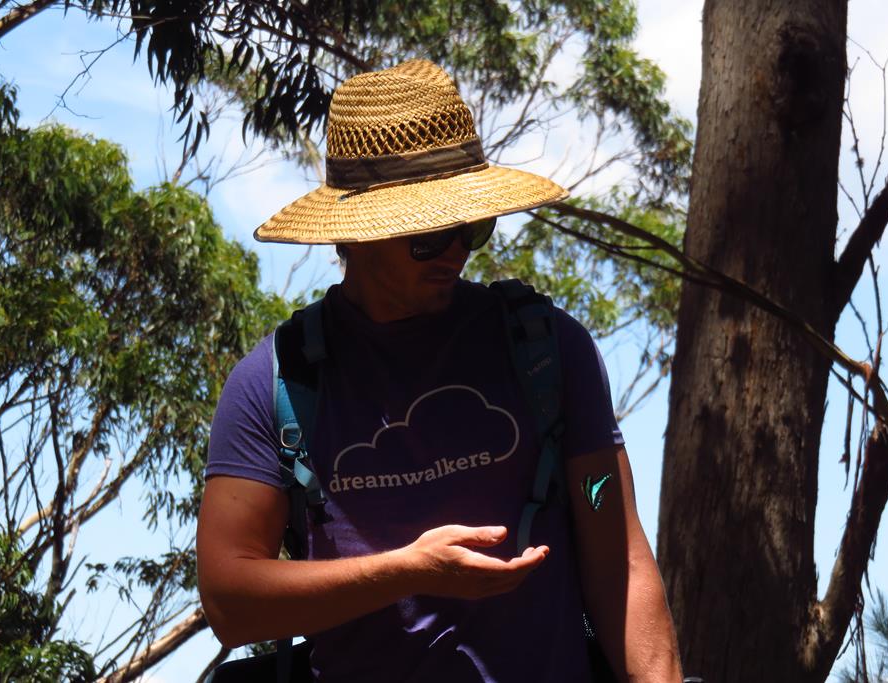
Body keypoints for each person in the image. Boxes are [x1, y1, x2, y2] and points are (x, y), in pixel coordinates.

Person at [197, 59, 682, 682]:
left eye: (470, 228)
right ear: (357, 234)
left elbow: (620, 557)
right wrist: (407, 571)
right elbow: (230, 602)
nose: (455, 251)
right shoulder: (276, 382)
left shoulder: (546, 350)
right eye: (428, 236)